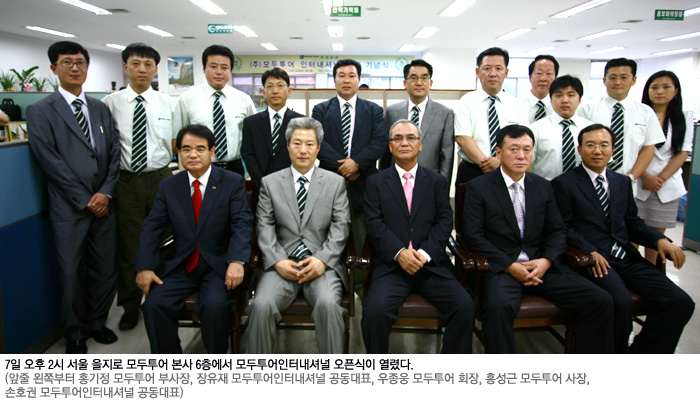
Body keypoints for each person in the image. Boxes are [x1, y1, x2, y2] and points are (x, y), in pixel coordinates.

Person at [462, 124, 614, 354]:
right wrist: (509, 266)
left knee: (600, 300)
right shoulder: (479, 187)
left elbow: (557, 230)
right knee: (498, 307)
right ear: (499, 152)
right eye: (514, 149)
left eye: (527, 150)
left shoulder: (542, 186)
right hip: (503, 267)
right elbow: (473, 235)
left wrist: (547, 261)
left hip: (541, 266)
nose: (521, 156)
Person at [551, 124, 694, 353]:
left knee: (680, 302)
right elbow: (562, 227)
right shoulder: (563, 183)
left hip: (626, 256)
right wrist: (588, 250)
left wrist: (659, 240)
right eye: (590, 145)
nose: (597, 150)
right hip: (595, 260)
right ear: (579, 149)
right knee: (621, 303)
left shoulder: (622, 182)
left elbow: (632, 222)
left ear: (612, 150)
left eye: (603, 145)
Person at [26, 41, 120, 354]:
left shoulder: (100, 108)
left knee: (105, 269)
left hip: (105, 205)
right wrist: (86, 198)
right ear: (54, 68)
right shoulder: (40, 111)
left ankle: (97, 322)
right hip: (69, 208)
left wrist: (105, 192)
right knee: (70, 274)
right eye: (67, 62)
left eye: (80, 62)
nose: (75, 67)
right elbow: (49, 160)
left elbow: (114, 154)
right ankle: (75, 332)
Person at [134, 124, 253, 354]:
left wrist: (237, 261)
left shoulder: (231, 182)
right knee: (154, 305)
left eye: (200, 149)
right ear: (178, 152)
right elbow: (152, 228)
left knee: (214, 306)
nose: (193, 155)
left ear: (212, 151)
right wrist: (144, 266)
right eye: (186, 149)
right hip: (181, 265)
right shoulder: (169, 185)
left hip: (218, 265)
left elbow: (242, 223)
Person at [363, 119, 475, 354]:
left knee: (464, 306)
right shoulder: (376, 182)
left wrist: (424, 254)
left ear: (420, 145)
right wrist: (399, 253)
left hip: (431, 265)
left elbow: (445, 222)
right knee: (374, 312)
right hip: (391, 267)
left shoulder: (437, 181)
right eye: (398, 138)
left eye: (410, 138)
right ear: (390, 146)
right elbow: (374, 224)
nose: (404, 143)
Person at [247, 117, 350, 354]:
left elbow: (341, 226)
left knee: (328, 305)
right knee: (261, 306)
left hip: (321, 263)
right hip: (282, 262)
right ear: (287, 146)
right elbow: (264, 225)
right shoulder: (270, 183)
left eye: (309, 144)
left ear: (318, 148)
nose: (303, 150)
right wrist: (277, 261)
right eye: (297, 143)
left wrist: (322, 260)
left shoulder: (335, 183)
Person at [102, 42, 175, 331]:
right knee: (129, 245)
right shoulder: (110, 103)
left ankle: (164, 298)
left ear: (156, 69)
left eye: (148, 65)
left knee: (167, 241)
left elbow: (178, 143)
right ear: (126, 67)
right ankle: (130, 305)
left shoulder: (169, 103)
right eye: (135, 64)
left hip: (161, 178)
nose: (142, 69)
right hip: (127, 181)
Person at [312, 59, 388, 251]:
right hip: (329, 179)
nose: (346, 80)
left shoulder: (374, 110)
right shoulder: (320, 110)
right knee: (327, 232)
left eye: (351, 75)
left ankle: (361, 269)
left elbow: (379, 141)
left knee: (363, 236)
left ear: (358, 80)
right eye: (341, 75)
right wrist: (344, 166)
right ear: (334, 80)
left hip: (365, 180)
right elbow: (319, 142)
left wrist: (356, 163)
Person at [637, 71, 694, 264]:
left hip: (666, 186)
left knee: (656, 239)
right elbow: (631, 150)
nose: (659, 91)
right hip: (639, 183)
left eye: (666, 87)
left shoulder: (683, 117)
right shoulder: (639, 114)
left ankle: (653, 272)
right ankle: (632, 274)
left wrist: (659, 179)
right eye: (654, 87)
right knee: (632, 234)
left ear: (675, 91)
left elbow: (683, 152)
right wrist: (645, 177)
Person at [173, 45, 256, 175]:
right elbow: (178, 138)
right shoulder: (187, 99)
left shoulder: (244, 99)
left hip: (234, 167)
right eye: (213, 67)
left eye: (224, 67)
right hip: (199, 167)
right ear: (204, 69)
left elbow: (253, 136)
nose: (219, 72)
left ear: (230, 70)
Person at [578, 58, 664, 184]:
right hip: (590, 180)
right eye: (612, 77)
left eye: (624, 77)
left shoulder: (646, 112)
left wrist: (631, 177)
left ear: (634, 80)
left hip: (628, 181)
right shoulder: (587, 109)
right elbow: (580, 145)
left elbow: (648, 148)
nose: (617, 82)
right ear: (604, 80)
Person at [454, 47, 521, 187]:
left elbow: (522, 139)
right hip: (473, 171)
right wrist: (488, 164)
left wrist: (501, 163)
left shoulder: (516, 105)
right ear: (477, 72)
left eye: (498, 68)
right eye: (487, 68)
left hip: (508, 171)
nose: (493, 74)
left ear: (506, 73)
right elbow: (463, 138)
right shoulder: (466, 102)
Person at [381, 59, 454, 179]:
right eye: (414, 78)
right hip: (396, 179)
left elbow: (447, 153)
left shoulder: (445, 114)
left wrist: (443, 185)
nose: (419, 83)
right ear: (405, 83)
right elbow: (385, 152)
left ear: (431, 83)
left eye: (424, 78)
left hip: (430, 179)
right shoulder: (391, 111)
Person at [241, 67, 304, 183]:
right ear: (263, 92)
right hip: (261, 184)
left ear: (289, 91)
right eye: (270, 86)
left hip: (293, 183)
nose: (275, 91)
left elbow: (304, 153)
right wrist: (261, 181)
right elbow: (247, 154)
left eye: (280, 86)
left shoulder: (301, 122)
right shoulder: (251, 123)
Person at [531, 75, 594, 180]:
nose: (565, 100)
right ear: (551, 100)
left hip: (583, 187)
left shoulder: (591, 129)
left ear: (579, 100)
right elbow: (527, 163)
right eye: (559, 95)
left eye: (571, 95)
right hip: (546, 187)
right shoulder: (536, 129)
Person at [519, 55, 558, 124]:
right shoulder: (517, 104)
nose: (543, 79)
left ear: (555, 78)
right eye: (539, 73)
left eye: (549, 74)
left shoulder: (560, 107)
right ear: (530, 77)